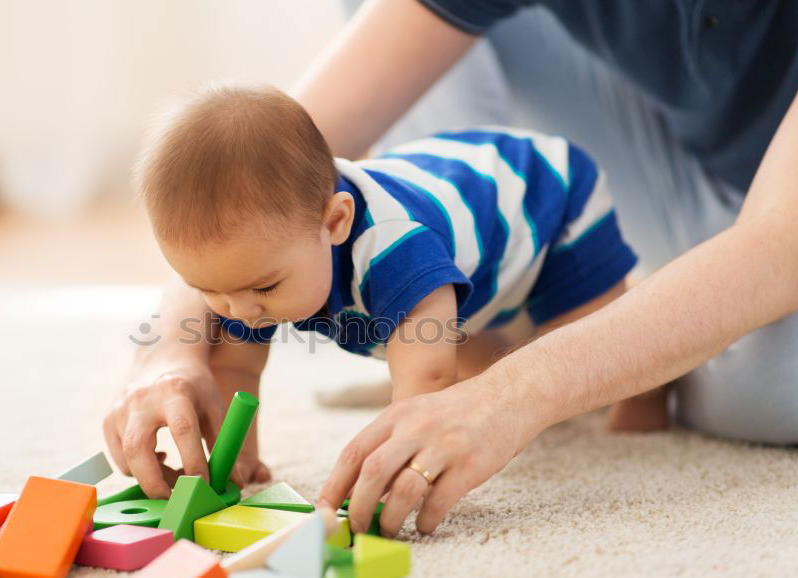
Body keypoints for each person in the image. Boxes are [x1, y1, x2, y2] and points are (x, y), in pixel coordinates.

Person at [105, 0, 798, 537]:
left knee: (751, 396)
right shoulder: (251, 279)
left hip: (557, 197)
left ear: (336, 222)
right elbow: (248, 175)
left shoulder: (400, 259)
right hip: (677, 134)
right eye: (216, 293)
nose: (239, 310)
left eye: (259, 289)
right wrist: (177, 347)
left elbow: (425, 393)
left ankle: (632, 363)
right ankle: (531, 327)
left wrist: (482, 410)